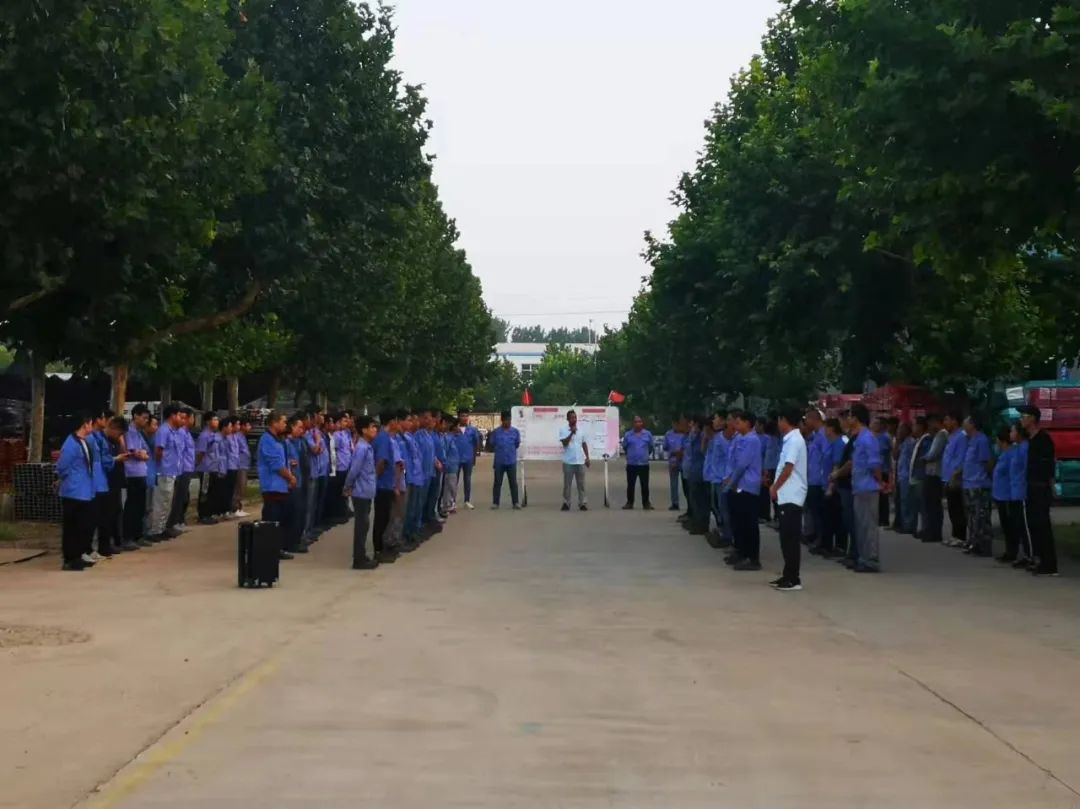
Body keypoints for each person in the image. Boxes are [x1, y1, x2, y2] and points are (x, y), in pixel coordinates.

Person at [770, 407, 808, 591]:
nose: (778, 424)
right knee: (785, 538)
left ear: (784, 420)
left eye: (779, 420)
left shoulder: (794, 440)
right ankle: (787, 574)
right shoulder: (790, 439)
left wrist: (775, 487)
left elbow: (788, 468)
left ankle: (793, 578)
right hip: (786, 495)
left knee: (790, 539)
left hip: (791, 495)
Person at [1019, 405, 1058, 576]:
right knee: (1034, 524)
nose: (1021, 419)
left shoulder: (1043, 439)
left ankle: (1050, 564)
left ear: (1033, 419)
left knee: (1043, 525)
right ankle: (1039, 558)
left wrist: (1050, 485)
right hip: (1030, 487)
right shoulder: (1030, 440)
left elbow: (1049, 464)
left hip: (1041, 487)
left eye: (1024, 416)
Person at [56, 413, 97, 570]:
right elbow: (62, 467)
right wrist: (69, 479)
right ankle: (70, 559)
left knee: (83, 525)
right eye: (91, 423)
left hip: (84, 490)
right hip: (73, 491)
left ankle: (78, 555)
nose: (92, 427)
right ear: (85, 424)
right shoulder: (71, 444)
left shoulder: (83, 441)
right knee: (71, 527)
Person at [722, 410, 762, 571]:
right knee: (738, 521)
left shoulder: (752, 440)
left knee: (748, 523)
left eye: (739, 422)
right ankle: (740, 551)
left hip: (747, 486)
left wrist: (731, 482)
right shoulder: (740, 438)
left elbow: (742, 464)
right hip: (737, 484)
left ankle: (752, 557)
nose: (736, 425)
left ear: (748, 423)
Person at [850, 403, 886, 572]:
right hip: (859, 487)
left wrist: (880, 481)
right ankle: (863, 558)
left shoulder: (868, 438)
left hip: (867, 487)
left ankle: (871, 560)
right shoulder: (860, 438)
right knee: (861, 525)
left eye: (850, 416)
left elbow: (875, 464)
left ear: (855, 418)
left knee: (868, 525)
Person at [256, 411, 296, 561]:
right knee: (272, 519)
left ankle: (277, 547)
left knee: (280, 519)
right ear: (274, 423)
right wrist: (290, 477)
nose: (285, 425)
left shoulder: (278, 439)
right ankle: (269, 550)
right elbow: (276, 465)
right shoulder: (267, 440)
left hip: (281, 486)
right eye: (283, 422)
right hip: (272, 486)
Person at [343, 415, 380, 570]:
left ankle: (362, 555)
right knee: (361, 526)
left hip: (366, 491)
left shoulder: (367, 446)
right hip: (361, 491)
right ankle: (358, 559)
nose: (375, 429)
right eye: (372, 427)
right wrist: (348, 486)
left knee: (364, 525)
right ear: (364, 430)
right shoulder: (362, 448)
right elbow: (354, 470)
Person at [961, 415, 993, 556]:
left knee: (981, 516)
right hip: (969, 483)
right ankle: (974, 542)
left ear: (972, 424)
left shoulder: (981, 440)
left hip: (979, 483)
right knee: (972, 517)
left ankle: (983, 545)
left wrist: (985, 477)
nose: (964, 425)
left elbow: (986, 462)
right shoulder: (970, 440)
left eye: (966, 423)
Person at [150, 404, 183, 540]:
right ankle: (156, 530)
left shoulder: (173, 431)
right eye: (179, 416)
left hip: (171, 471)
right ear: (173, 416)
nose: (181, 419)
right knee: (161, 502)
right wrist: (161, 466)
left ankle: (162, 528)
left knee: (167, 503)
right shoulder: (164, 430)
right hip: (164, 471)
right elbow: (159, 450)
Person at [372, 413, 401, 563]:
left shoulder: (386, 437)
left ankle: (381, 547)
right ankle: (378, 549)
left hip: (386, 483)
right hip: (382, 485)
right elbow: (381, 462)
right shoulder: (383, 438)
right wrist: (375, 479)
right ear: (392, 422)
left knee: (385, 517)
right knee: (381, 518)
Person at [122, 405, 152, 546]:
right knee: (132, 506)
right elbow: (133, 452)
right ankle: (128, 537)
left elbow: (146, 451)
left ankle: (137, 535)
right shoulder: (129, 432)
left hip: (141, 472)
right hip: (132, 473)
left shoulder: (139, 433)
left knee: (140, 506)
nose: (146, 421)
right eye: (144, 418)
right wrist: (141, 454)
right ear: (135, 416)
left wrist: (143, 454)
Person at [818, 417, 847, 558]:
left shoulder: (839, 444)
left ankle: (839, 546)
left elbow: (837, 465)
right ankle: (827, 545)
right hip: (826, 484)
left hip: (834, 487)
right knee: (827, 517)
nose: (824, 431)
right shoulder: (831, 444)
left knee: (835, 518)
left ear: (831, 429)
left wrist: (831, 487)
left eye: (826, 428)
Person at [941, 412, 969, 547]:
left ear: (955, 421)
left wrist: (956, 474)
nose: (945, 423)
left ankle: (961, 536)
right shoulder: (951, 436)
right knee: (952, 508)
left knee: (958, 508)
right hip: (947, 477)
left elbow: (962, 458)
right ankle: (955, 535)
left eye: (947, 420)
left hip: (956, 478)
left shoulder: (962, 436)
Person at [1007, 422, 1032, 569]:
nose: (1010, 434)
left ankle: (1030, 555)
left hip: (1022, 491)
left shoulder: (1025, 448)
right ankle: (1025, 554)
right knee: (1019, 526)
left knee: (1025, 526)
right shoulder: (1016, 448)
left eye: (1012, 431)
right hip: (1014, 491)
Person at [921, 413, 948, 543]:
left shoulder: (942, 434)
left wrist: (923, 459)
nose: (929, 426)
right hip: (932, 472)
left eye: (931, 423)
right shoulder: (936, 435)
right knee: (931, 504)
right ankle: (931, 531)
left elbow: (933, 454)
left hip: (935, 473)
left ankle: (934, 532)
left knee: (933, 505)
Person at [803, 408, 828, 548]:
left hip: (818, 481)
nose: (805, 422)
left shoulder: (823, 435)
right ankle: (815, 537)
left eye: (807, 419)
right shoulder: (815, 436)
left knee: (819, 514)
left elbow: (826, 457)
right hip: (812, 479)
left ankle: (821, 540)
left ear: (813, 419)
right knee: (813, 512)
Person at [284, 414, 308, 555]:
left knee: (300, 513)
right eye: (299, 427)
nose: (301, 430)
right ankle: (291, 542)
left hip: (301, 480)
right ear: (292, 427)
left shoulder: (299, 442)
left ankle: (297, 540)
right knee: (293, 514)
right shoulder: (286, 443)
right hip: (292, 483)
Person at [402, 412, 427, 542]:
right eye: (411, 420)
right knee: (409, 509)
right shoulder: (405, 439)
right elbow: (407, 460)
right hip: (411, 478)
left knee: (416, 506)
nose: (414, 423)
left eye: (415, 421)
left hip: (418, 476)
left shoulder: (412, 437)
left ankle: (413, 531)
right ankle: (407, 534)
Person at [558, 410, 590, 511]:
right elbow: (564, 443)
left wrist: (587, 457)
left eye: (575, 417)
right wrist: (571, 432)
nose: (574, 419)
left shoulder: (581, 430)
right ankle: (566, 503)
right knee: (567, 485)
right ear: (568, 419)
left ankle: (582, 503)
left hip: (580, 461)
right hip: (568, 461)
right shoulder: (563, 430)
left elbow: (584, 443)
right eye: (572, 418)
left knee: (581, 484)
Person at [992, 427, 1015, 564]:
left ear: (1003, 442)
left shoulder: (1010, 455)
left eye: (997, 441)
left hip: (1007, 496)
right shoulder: (1003, 455)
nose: (996, 444)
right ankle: (1009, 551)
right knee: (1005, 525)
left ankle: (1012, 552)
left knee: (1009, 526)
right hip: (1000, 495)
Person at [195, 412, 223, 526]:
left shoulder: (214, 435)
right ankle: (203, 515)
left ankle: (209, 513)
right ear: (207, 422)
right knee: (205, 491)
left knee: (212, 492)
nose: (217, 422)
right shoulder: (204, 436)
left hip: (213, 468)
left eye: (217, 420)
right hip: (206, 468)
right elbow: (201, 453)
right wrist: (198, 464)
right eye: (214, 420)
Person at [491, 410, 521, 509]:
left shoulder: (515, 432)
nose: (508, 422)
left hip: (511, 461)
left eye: (509, 420)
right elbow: (492, 444)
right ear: (502, 420)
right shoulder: (496, 432)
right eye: (506, 420)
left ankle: (515, 502)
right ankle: (495, 503)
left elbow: (517, 444)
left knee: (513, 483)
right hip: (499, 461)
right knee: (497, 483)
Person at [622, 415, 654, 509]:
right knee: (630, 485)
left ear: (642, 423)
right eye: (636, 422)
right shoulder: (628, 435)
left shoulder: (647, 434)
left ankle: (646, 503)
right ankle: (630, 502)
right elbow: (625, 447)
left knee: (645, 485)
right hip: (631, 464)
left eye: (639, 421)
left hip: (643, 464)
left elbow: (650, 447)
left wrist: (645, 455)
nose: (637, 424)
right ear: (633, 423)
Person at [908, 417, 930, 539]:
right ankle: (917, 527)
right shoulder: (918, 440)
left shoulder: (926, 440)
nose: (913, 428)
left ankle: (925, 528)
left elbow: (925, 458)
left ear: (920, 426)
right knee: (916, 504)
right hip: (915, 475)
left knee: (923, 505)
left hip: (921, 476)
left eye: (915, 425)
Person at [455, 409, 481, 510]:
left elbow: (476, 444)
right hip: (456, 459)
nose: (465, 418)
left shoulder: (472, 430)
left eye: (466, 416)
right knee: (454, 481)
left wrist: (474, 458)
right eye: (462, 416)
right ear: (458, 417)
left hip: (468, 458)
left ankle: (467, 500)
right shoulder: (454, 430)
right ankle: (452, 501)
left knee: (467, 480)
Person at [894, 422, 915, 534]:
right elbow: (895, 456)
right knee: (901, 501)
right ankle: (903, 523)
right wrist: (897, 442)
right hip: (900, 475)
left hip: (907, 476)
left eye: (901, 429)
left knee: (907, 501)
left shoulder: (911, 442)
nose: (899, 431)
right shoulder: (901, 443)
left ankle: (908, 525)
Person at [871, 417, 892, 527]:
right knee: (875, 496)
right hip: (873, 470)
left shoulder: (885, 437)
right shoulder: (871, 437)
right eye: (874, 423)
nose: (875, 425)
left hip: (883, 470)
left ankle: (884, 519)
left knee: (883, 496)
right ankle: (877, 518)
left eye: (877, 423)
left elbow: (887, 451)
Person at [231, 417, 252, 519]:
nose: (250, 427)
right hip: (239, 465)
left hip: (244, 465)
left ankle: (238, 507)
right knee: (239, 487)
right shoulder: (237, 436)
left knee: (242, 487)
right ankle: (234, 508)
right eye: (248, 425)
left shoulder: (243, 437)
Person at [441, 414, 461, 516]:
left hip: (454, 465)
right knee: (450, 487)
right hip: (449, 466)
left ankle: (450, 504)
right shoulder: (447, 438)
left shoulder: (454, 437)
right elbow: (445, 452)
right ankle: (447, 505)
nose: (459, 428)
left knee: (452, 486)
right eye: (458, 426)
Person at [663, 419, 684, 511]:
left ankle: (690, 504)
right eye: (674, 424)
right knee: (674, 484)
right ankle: (675, 503)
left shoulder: (685, 434)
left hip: (684, 461)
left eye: (677, 424)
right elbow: (665, 447)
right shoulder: (668, 434)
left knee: (686, 484)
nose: (676, 426)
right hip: (672, 462)